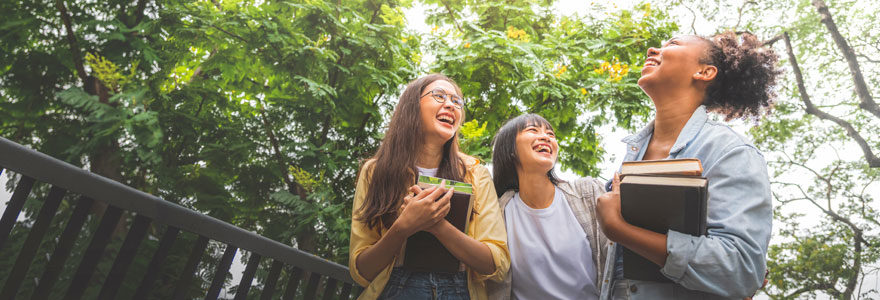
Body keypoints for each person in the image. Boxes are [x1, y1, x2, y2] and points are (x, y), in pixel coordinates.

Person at [595, 31, 780, 299]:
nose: (651, 50)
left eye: (671, 44)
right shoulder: (630, 156)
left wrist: (621, 230)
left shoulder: (730, 152)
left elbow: (742, 269)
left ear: (704, 72)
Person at [349, 74, 510, 300]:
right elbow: (361, 272)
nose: (450, 105)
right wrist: (403, 227)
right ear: (412, 106)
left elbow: (497, 263)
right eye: (439, 96)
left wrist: (436, 225)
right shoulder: (375, 171)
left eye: (457, 101)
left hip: (460, 290)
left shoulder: (475, 173)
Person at [487, 113, 609, 300]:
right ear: (510, 149)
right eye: (532, 130)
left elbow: (617, 259)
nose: (546, 137)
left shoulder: (588, 193)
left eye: (550, 134)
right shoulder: (497, 212)